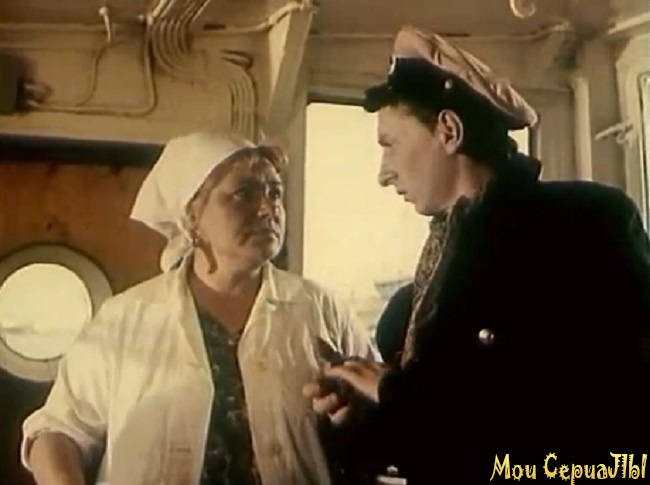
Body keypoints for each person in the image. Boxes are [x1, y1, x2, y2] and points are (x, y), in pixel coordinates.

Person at [304, 26, 650, 483]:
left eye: (389, 145)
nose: (384, 174)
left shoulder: (585, 225)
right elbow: (430, 447)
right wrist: (359, 417)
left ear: (448, 131)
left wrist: (396, 394)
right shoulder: (411, 307)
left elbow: (603, 438)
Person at [21, 130, 378, 485]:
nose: (267, 209)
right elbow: (57, 431)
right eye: (243, 194)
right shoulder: (125, 319)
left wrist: (354, 414)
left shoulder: (321, 309)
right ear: (191, 217)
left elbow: (384, 412)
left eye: (274, 192)